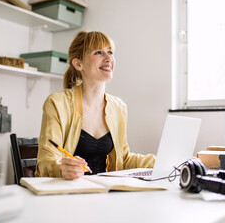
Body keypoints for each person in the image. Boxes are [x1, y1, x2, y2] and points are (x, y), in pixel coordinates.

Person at [35, 31, 155, 180]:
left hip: (107, 193)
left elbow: (123, 159)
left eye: (110, 52)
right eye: (99, 52)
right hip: (70, 194)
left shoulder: (119, 107)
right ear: (78, 64)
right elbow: (46, 161)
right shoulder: (57, 103)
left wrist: (167, 160)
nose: (108, 58)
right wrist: (62, 169)